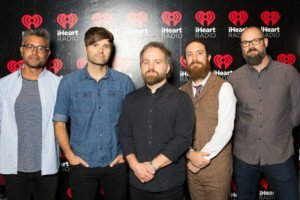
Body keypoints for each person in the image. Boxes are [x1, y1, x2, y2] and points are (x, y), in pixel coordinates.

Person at [53, 27, 133, 200]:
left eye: (106, 45)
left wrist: (125, 154)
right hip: (82, 164)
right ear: (85, 48)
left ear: (111, 50)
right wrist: (70, 155)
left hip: (116, 163)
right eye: (95, 45)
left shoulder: (124, 82)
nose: (101, 50)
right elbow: (59, 123)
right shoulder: (68, 83)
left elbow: (133, 123)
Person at [228, 26, 300, 200]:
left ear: (265, 42)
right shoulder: (233, 79)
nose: (251, 46)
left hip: (280, 155)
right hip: (244, 158)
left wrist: (276, 132)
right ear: (241, 47)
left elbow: (296, 115)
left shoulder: (288, 73)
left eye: (255, 41)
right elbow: (231, 118)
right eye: (245, 43)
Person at [118, 41, 195, 200]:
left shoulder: (181, 99)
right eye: (146, 62)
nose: (150, 66)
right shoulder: (130, 100)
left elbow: (182, 139)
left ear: (167, 68)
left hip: (170, 185)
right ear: (141, 67)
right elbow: (125, 135)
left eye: (157, 62)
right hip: (137, 183)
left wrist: (152, 167)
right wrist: (135, 166)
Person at [0, 28, 61, 200]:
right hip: (14, 169)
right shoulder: (3, 86)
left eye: (41, 48)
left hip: (47, 168)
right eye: (29, 47)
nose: (34, 52)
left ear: (48, 53)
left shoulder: (59, 85)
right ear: (21, 49)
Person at [180, 39, 236, 200]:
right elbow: (178, 130)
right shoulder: (181, 91)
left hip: (216, 168)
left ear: (209, 57)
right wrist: (191, 155)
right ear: (185, 61)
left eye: (199, 53)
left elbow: (225, 131)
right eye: (190, 55)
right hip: (191, 167)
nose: (195, 58)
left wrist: (199, 159)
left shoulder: (224, 87)